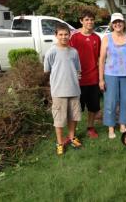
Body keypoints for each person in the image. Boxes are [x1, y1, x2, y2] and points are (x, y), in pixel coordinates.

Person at [99, 13, 126, 139]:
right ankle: (111, 127)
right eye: (115, 22)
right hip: (110, 74)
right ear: (112, 24)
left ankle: (123, 124)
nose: (118, 24)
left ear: (124, 23)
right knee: (111, 101)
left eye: (120, 22)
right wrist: (101, 79)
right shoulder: (106, 38)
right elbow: (101, 59)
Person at [44, 23, 82, 155]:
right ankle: (60, 143)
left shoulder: (74, 52)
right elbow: (47, 70)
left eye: (66, 34)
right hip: (59, 92)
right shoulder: (51, 52)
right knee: (59, 119)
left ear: (69, 35)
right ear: (56, 35)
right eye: (60, 34)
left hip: (74, 90)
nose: (64, 37)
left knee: (74, 117)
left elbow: (78, 70)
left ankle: (72, 137)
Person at [69, 10, 101, 138]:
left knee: (93, 107)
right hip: (78, 80)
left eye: (92, 19)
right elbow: (69, 56)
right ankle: (73, 133)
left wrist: (101, 77)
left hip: (93, 78)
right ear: (81, 21)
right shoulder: (74, 37)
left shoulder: (97, 38)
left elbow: (99, 58)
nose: (90, 22)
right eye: (87, 19)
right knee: (77, 108)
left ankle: (90, 127)